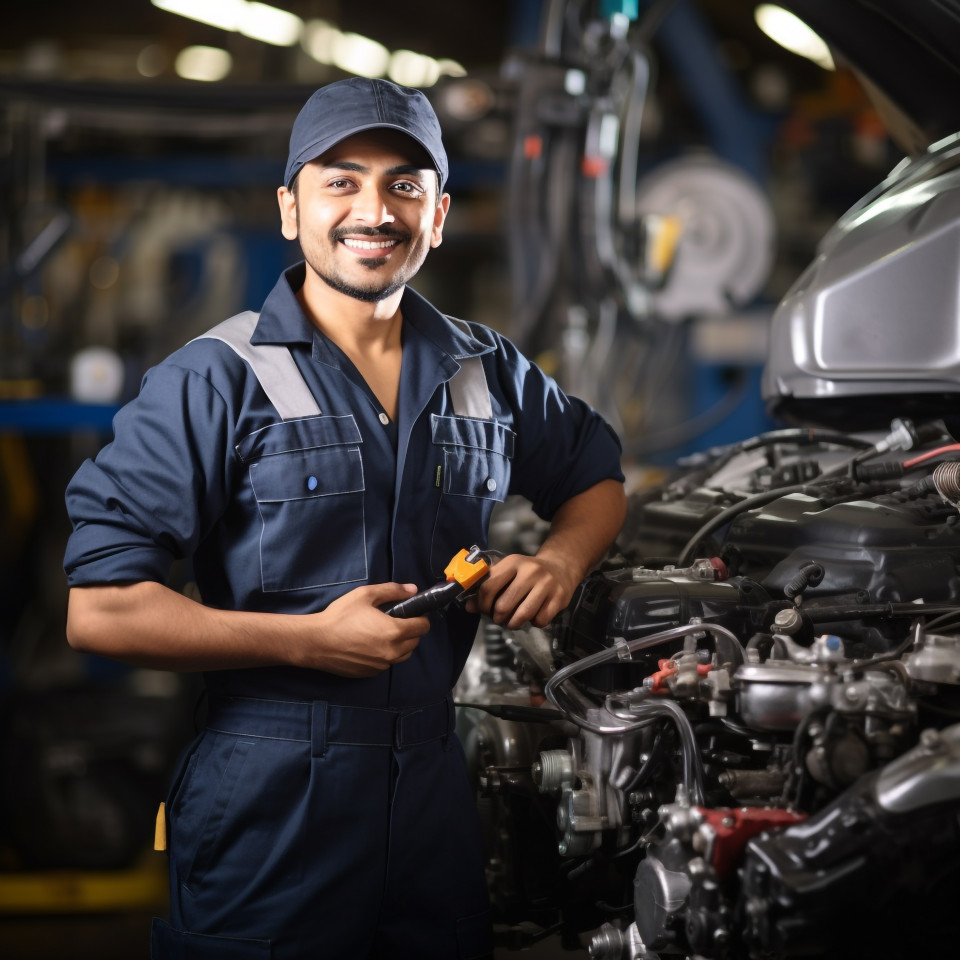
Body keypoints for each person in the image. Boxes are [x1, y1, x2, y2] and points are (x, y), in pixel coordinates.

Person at [63, 77, 626, 959]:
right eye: (340, 181)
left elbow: (596, 475)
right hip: (270, 800)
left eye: (404, 184)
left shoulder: (485, 370)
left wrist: (561, 562)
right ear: (290, 209)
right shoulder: (213, 379)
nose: (375, 211)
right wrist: (305, 642)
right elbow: (100, 611)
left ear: (439, 214)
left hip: (435, 787)